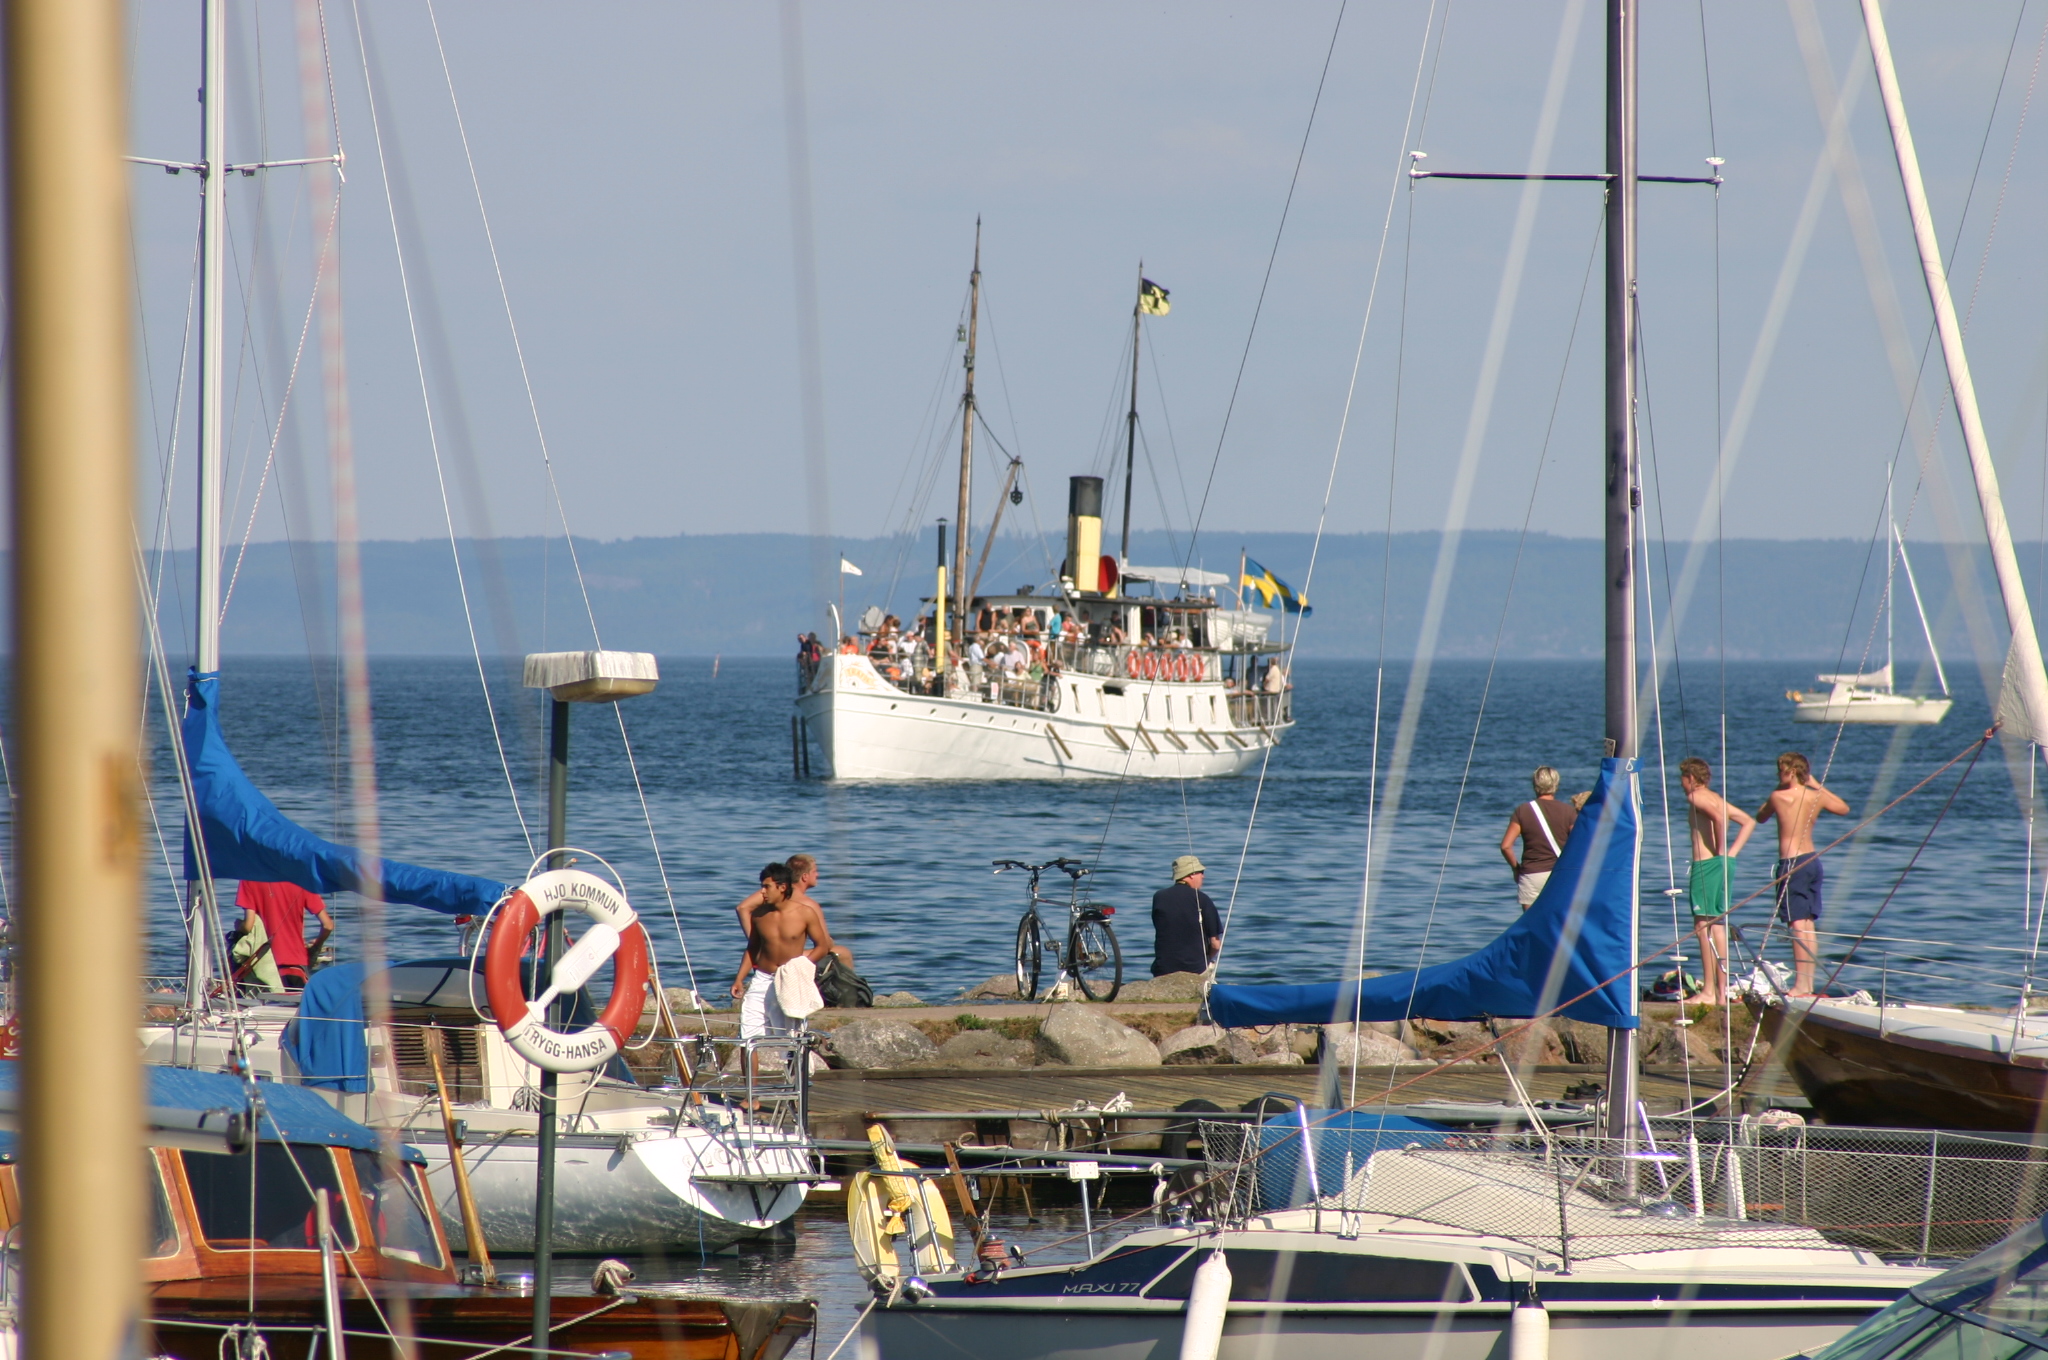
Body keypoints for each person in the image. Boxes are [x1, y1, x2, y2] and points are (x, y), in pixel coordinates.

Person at [1756, 751, 1849, 996]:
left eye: (1780, 770)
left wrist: (1780, 786)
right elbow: (1843, 808)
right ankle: (1807, 984)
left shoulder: (1778, 796)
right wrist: (1816, 785)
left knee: (1797, 924)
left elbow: (1760, 816)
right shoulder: (1815, 796)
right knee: (1808, 925)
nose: (1778, 775)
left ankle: (1800, 985)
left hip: (1792, 864)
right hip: (1812, 862)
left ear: (1791, 772)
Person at [1679, 757, 1755, 1006]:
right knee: (1717, 926)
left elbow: (1721, 818)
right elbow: (1748, 821)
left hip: (1706, 867)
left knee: (1703, 927)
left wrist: (1722, 850)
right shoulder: (1715, 797)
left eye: (1682, 778)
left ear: (1691, 778)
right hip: (1721, 865)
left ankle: (1709, 992)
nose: (1681, 784)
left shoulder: (1696, 797)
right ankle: (1721, 993)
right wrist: (1730, 854)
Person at [730, 863, 836, 1040]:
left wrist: (801, 965)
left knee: (791, 1038)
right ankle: (750, 1060)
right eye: (762, 886)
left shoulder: (805, 913)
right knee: (748, 1037)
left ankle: (794, 1060)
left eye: (767, 887)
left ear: (782, 887)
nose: (762, 892)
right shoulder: (759, 915)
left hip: (789, 979)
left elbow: (822, 946)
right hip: (762, 978)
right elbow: (753, 948)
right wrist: (739, 979)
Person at [1499, 767, 1579, 910]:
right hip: (1559, 874)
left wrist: (1516, 869)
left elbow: (1505, 846)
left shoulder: (1523, 811)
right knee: (1558, 920)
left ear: (1535, 784)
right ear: (1556, 784)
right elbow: (1578, 844)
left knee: (1531, 923)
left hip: (1531, 875)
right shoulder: (1569, 811)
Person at [234, 880, 335, 990]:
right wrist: (316, 946)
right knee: (296, 1001)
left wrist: (239, 925)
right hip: (296, 965)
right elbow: (327, 925)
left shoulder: (249, 879)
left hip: (265, 964)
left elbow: (248, 925)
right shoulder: (301, 878)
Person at [1150, 855, 1222, 978]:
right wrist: (1207, 959)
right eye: (1201, 872)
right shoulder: (1202, 899)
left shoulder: (1159, 897)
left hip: (1163, 969)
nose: (1203, 876)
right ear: (1191, 875)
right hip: (1195, 970)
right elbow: (1215, 944)